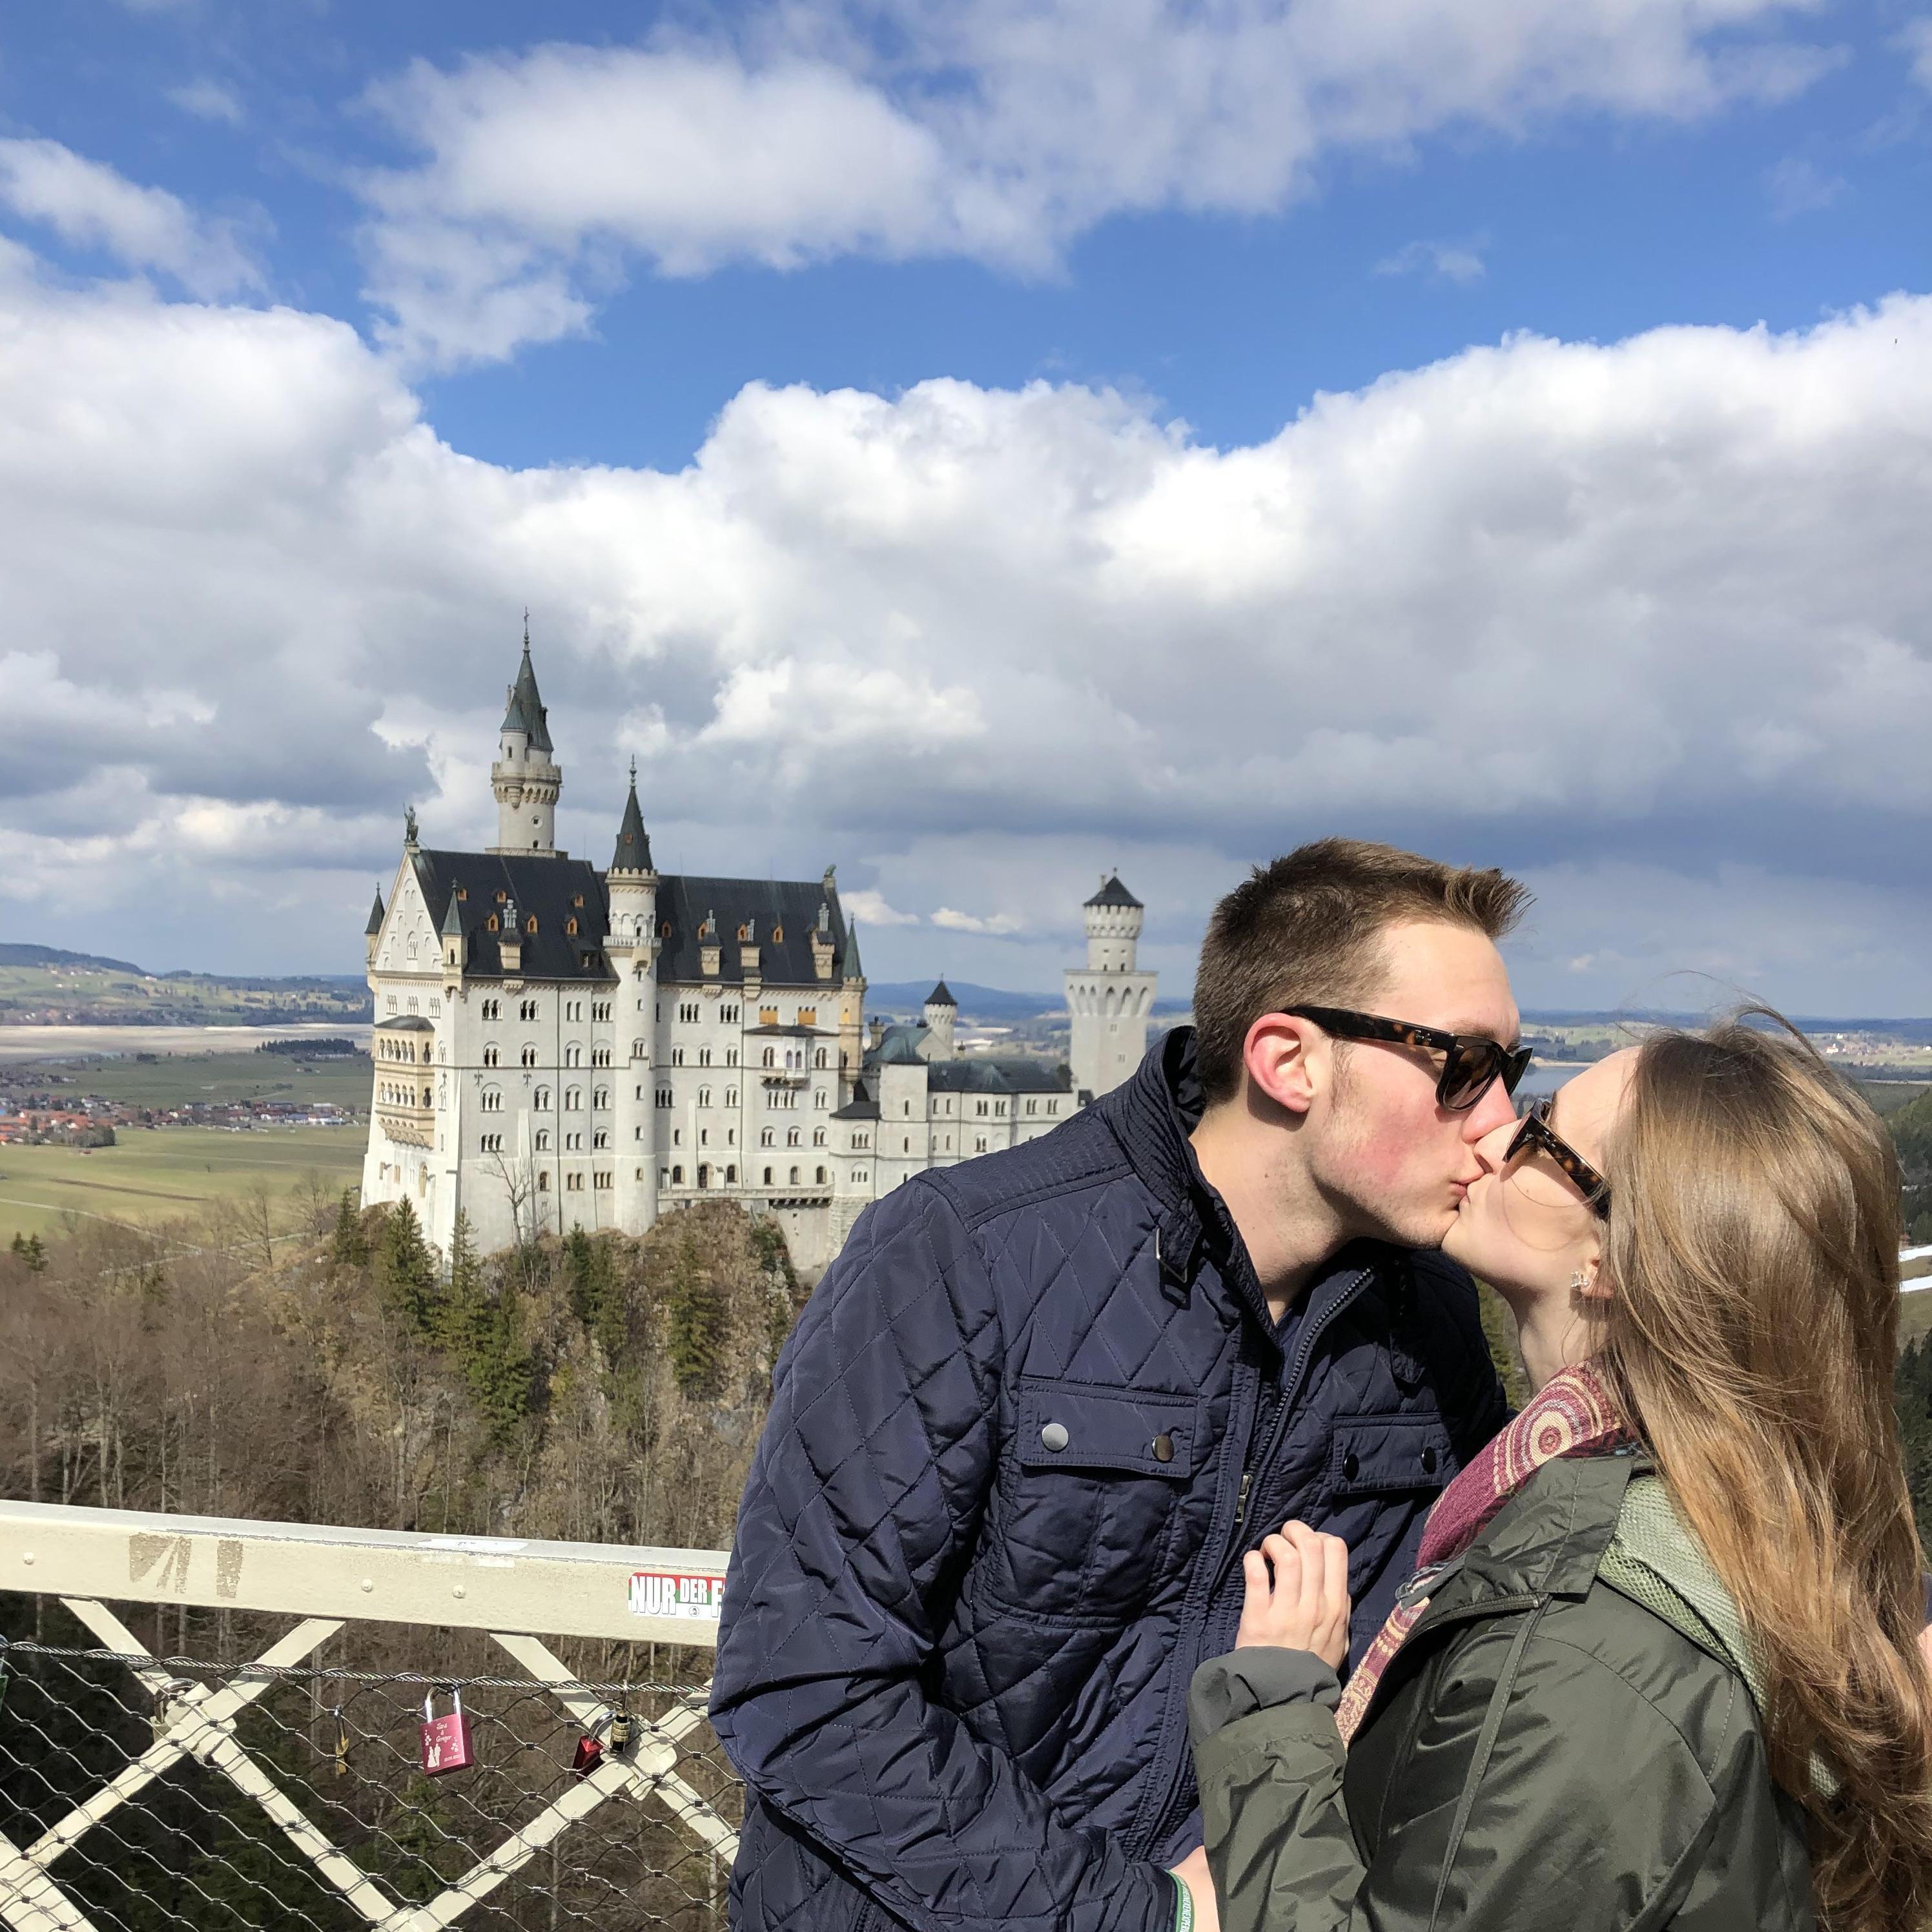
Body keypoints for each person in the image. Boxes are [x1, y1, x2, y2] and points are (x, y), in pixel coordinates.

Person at [710, 839, 1527, 1932]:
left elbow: (1423, 1693)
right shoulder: (966, 1254)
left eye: (1512, 1073)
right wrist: (1142, 1918)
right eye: (1462, 1068)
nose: (1500, 1122)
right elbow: (804, 1691)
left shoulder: (1429, 1324)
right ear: (1290, 1060)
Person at [1189, 1014, 1932, 1932]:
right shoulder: (1738, 1527)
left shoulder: (1588, 1652)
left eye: (1541, 1132)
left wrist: (1275, 1708)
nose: (1494, 1133)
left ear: (1616, 1260)